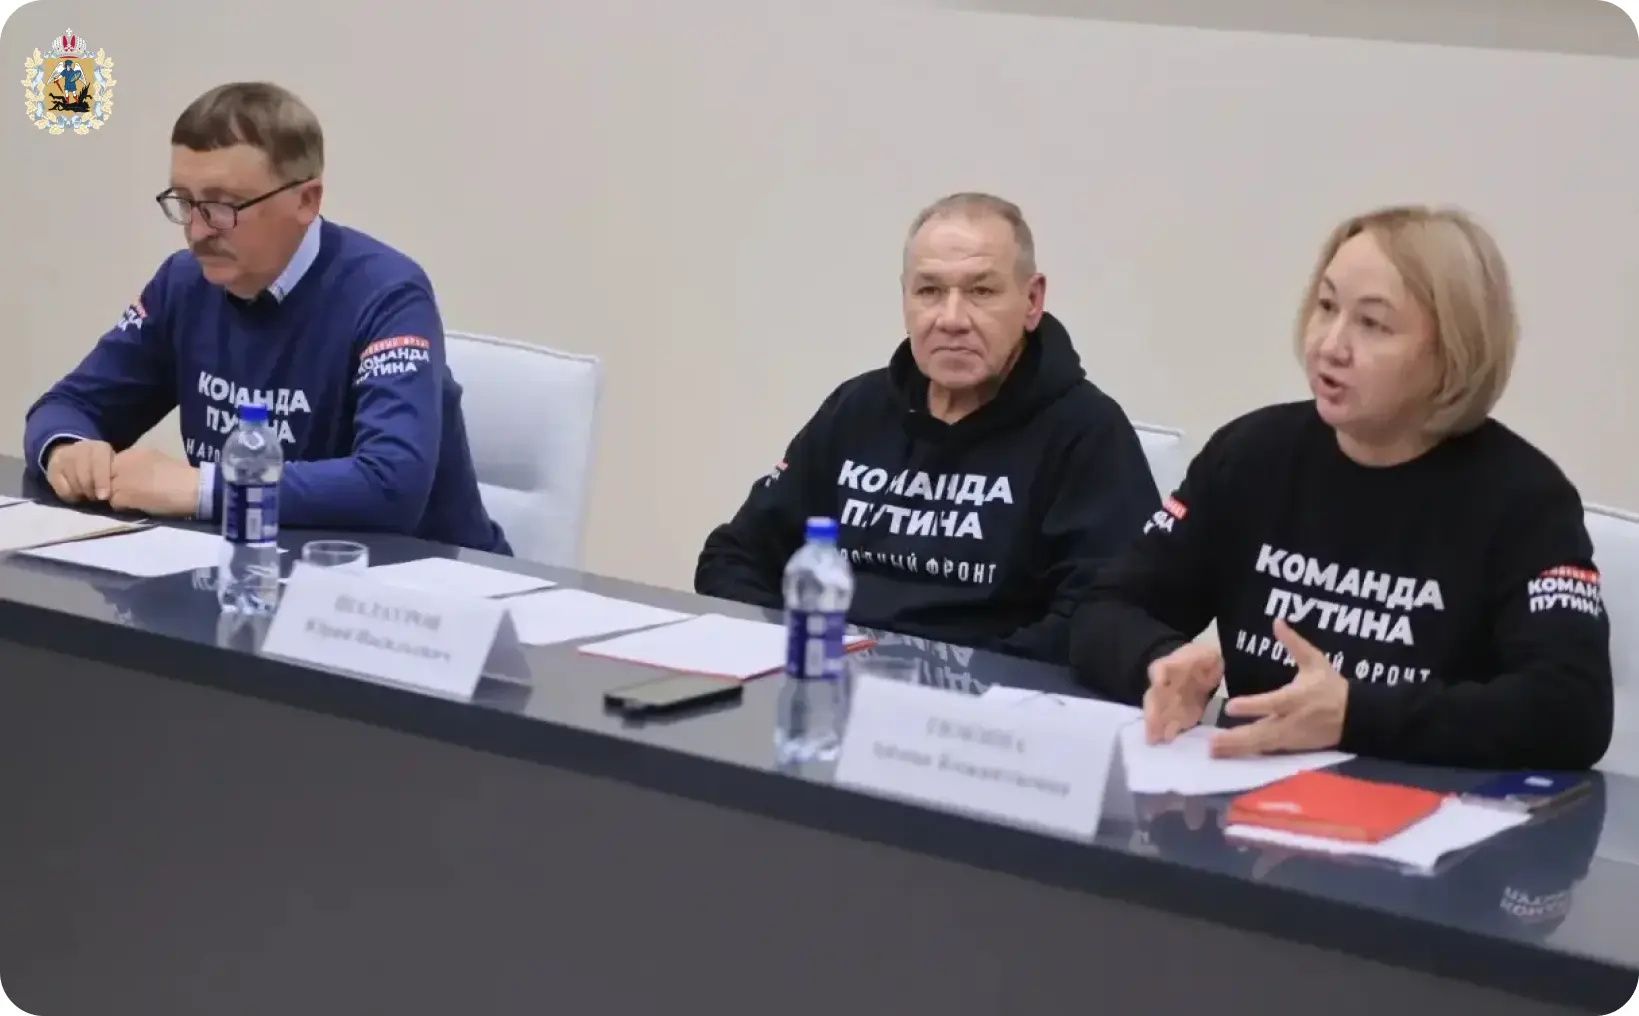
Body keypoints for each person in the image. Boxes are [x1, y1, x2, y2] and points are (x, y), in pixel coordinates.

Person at [1068, 205, 1612, 770]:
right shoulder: (1252, 456)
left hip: (1427, 803)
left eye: (1373, 324)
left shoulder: (1524, 499)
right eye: (1326, 307)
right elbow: (1104, 608)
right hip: (1248, 797)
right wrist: (1158, 661)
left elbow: (1571, 708)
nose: (1330, 345)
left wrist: (1355, 715)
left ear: (1453, 352)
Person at [23, 82, 510, 555]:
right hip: (252, 568)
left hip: (421, 586)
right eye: (185, 202)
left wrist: (200, 489)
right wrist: (68, 450)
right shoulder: (184, 283)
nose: (197, 231)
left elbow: (391, 484)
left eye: (222, 205)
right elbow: (69, 405)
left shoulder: (387, 293)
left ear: (306, 200)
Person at [694, 193, 1159, 663]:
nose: (951, 319)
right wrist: (803, 650)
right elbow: (734, 556)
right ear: (905, 299)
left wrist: (956, 682)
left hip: (988, 697)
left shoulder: (1087, 432)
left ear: (1032, 300)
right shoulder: (856, 410)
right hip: (834, 682)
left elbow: (1101, 619)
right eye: (929, 291)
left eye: (981, 291)